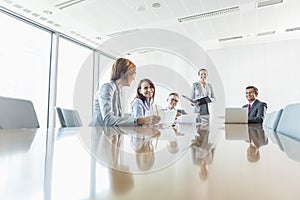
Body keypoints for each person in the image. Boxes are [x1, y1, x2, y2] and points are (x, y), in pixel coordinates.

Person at [92, 58, 160, 126]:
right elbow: (108, 120)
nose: (134, 78)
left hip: (112, 133)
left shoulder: (118, 91)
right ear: (123, 73)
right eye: (133, 73)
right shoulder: (107, 87)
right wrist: (140, 120)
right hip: (101, 133)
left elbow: (117, 119)